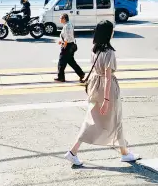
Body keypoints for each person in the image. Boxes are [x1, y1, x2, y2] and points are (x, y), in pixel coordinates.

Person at [64, 20, 140, 166]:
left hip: (95, 86)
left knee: (94, 119)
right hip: (107, 89)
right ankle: (73, 152)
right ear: (108, 33)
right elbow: (107, 76)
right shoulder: (109, 52)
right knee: (113, 119)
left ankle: (124, 152)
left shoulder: (95, 50)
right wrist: (106, 99)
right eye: (112, 30)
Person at [55, 13, 85, 83]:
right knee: (71, 61)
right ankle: (81, 73)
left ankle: (61, 77)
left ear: (64, 19)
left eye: (61, 18)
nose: (60, 19)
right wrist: (62, 41)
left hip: (67, 46)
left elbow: (68, 36)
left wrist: (64, 44)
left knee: (61, 62)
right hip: (69, 45)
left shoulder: (67, 26)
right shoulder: (68, 24)